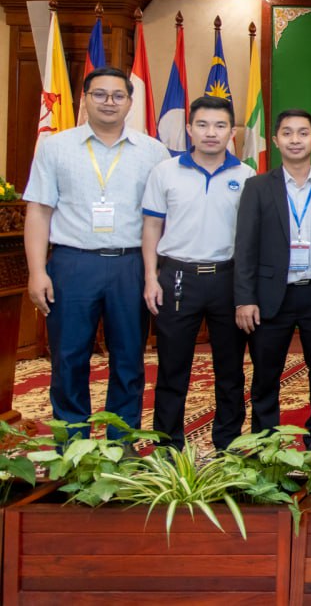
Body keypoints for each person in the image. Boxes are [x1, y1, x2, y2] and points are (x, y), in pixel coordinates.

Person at [24, 66, 169, 439]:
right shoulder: (56, 147)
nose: (109, 102)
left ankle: (122, 444)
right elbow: (39, 211)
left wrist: (154, 271)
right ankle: (72, 447)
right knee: (68, 358)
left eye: (118, 95)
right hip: (73, 263)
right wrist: (37, 271)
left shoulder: (153, 152)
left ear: (130, 102)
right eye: (100, 94)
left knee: (129, 359)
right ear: (84, 99)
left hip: (130, 264)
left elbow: (162, 216)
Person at [141, 95, 256, 449]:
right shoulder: (165, 171)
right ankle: (168, 447)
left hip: (227, 279)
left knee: (230, 369)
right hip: (177, 277)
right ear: (189, 129)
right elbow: (151, 227)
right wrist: (150, 277)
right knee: (172, 368)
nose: (211, 133)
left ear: (232, 132)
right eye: (203, 125)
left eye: (220, 126)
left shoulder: (247, 175)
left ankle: (228, 445)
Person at [234, 109, 311, 450]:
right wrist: (244, 298)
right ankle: (266, 441)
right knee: (265, 374)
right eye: (287, 133)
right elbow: (245, 246)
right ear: (275, 140)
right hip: (271, 295)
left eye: (302, 133)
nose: (295, 140)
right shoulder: (257, 187)